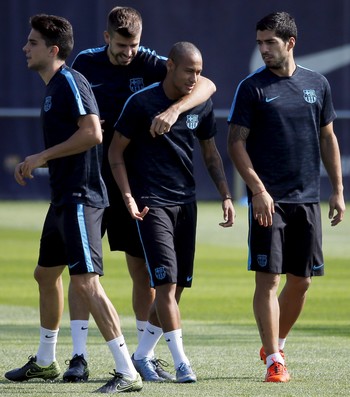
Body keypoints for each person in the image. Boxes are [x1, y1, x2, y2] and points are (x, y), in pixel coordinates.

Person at [65, 6, 216, 382]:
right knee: (82, 269)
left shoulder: (152, 62)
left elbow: (206, 84)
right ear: (106, 38)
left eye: (133, 45)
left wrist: (175, 110)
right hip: (89, 178)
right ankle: (78, 357)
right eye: (121, 45)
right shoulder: (84, 62)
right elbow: (68, 104)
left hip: (133, 180)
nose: (128, 52)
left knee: (142, 271)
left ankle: (143, 357)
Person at [4, 14, 142, 394]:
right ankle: (47, 362)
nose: (24, 48)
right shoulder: (53, 86)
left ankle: (127, 371)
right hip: (63, 198)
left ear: (52, 50)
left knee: (86, 283)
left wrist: (40, 157)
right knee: (45, 275)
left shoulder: (68, 80)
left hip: (82, 197)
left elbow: (93, 133)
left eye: (32, 43)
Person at [227, 11, 345, 383]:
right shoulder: (251, 88)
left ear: (290, 43)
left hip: (308, 198)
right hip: (269, 201)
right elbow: (235, 143)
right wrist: (258, 191)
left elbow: (328, 137)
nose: (263, 49)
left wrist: (338, 191)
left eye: (270, 42)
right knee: (268, 280)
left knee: (302, 281)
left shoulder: (317, 84)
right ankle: (274, 359)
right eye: (259, 42)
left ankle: (275, 341)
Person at [109, 41, 235, 383]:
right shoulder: (141, 102)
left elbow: (210, 154)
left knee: (177, 289)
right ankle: (182, 364)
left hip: (187, 203)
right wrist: (128, 197)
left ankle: (142, 356)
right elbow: (115, 152)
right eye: (188, 70)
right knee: (164, 286)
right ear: (170, 66)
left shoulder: (199, 104)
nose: (195, 77)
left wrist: (225, 194)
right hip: (152, 203)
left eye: (199, 71)